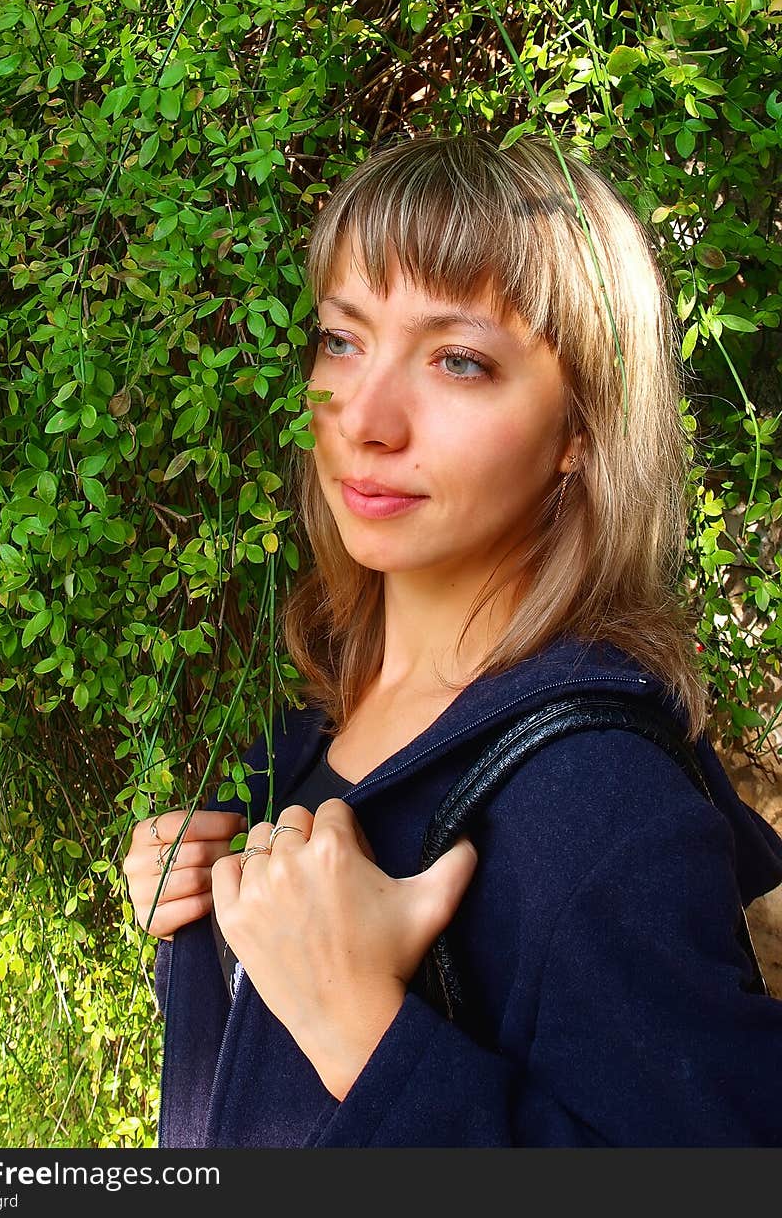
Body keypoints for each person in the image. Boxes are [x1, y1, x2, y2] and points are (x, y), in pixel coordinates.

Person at [122, 131, 782, 1147]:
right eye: (343, 339)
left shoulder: (599, 807)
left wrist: (366, 1032)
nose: (365, 418)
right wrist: (213, 933)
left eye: (458, 361)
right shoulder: (310, 724)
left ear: (580, 431)